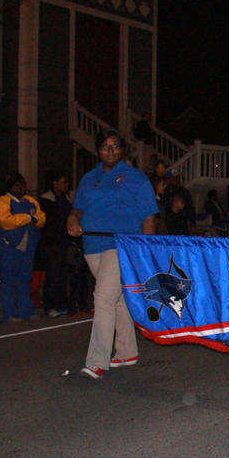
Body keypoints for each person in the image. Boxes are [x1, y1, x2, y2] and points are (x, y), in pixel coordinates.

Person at [67, 128, 158, 379]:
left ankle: (97, 360)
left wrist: (144, 251)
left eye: (116, 146)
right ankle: (127, 351)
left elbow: (149, 216)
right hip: (92, 246)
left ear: (123, 150)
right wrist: (72, 220)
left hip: (121, 246)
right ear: (98, 150)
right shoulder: (89, 178)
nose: (110, 151)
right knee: (116, 300)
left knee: (103, 298)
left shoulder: (136, 179)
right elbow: (78, 208)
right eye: (106, 146)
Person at [0, 172, 45, 324]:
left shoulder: (30, 201)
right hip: (9, 245)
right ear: (10, 187)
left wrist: (34, 219)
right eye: (17, 185)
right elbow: (4, 220)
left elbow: (41, 218)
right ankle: (9, 313)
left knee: (25, 278)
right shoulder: (3, 201)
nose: (21, 188)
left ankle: (26, 310)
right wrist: (28, 218)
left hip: (28, 244)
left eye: (22, 184)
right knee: (9, 279)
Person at [39, 171, 74, 317]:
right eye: (63, 182)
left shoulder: (65, 199)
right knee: (52, 275)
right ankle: (49, 306)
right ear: (54, 182)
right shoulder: (46, 200)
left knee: (62, 275)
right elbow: (47, 225)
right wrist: (49, 244)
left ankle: (61, 304)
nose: (66, 185)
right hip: (52, 243)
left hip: (64, 242)